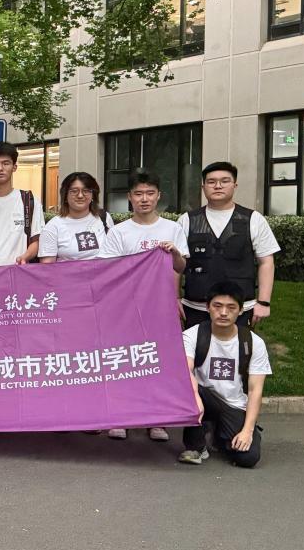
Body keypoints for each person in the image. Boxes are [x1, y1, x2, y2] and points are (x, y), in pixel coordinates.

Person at [99, 171, 188, 441]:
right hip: (125, 308)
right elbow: (109, 269)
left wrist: (174, 253)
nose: (144, 199)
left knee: (157, 361)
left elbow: (180, 267)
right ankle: (121, 417)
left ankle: (157, 420)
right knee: (125, 360)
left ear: (158, 196)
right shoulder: (119, 232)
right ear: (130, 197)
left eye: (150, 193)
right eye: (138, 194)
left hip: (160, 308)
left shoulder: (172, 229)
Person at [178, 161, 280, 330]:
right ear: (203, 187)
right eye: (211, 182)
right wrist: (175, 298)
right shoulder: (187, 220)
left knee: (238, 347)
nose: (218, 186)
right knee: (195, 347)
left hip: (240, 309)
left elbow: (266, 261)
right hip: (195, 307)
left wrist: (264, 302)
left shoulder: (253, 219)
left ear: (235, 185)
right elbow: (176, 264)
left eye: (224, 181)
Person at [179, 281, 271, 467]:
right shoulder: (192, 335)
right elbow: (185, 371)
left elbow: (255, 390)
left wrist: (247, 431)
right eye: (217, 306)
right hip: (203, 397)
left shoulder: (253, 342)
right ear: (208, 307)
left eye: (231, 307)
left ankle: (219, 435)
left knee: (248, 458)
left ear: (241, 310)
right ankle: (196, 446)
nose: (223, 312)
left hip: (234, 405)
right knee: (188, 388)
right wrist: (195, 399)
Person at [38, 172, 112, 263]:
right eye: (74, 191)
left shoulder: (104, 218)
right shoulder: (52, 227)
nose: (80, 195)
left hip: (103, 272)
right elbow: (47, 267)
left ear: (93, 195)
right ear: (65, 196)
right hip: (68, 272)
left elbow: (114, 254)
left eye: (86, 191)